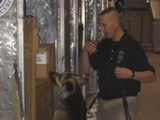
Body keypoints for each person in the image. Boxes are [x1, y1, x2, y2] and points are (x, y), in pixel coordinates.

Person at [80, 8, 156, 120]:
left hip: (123, 102)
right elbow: (85, 70)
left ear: (115, 23)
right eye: (100, 25)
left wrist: (131, 74)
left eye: (104, 25)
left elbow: (151, 76)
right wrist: (85, 51)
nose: (101, 29)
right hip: (103, 103)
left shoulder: (131, 46)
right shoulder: (104, 45)